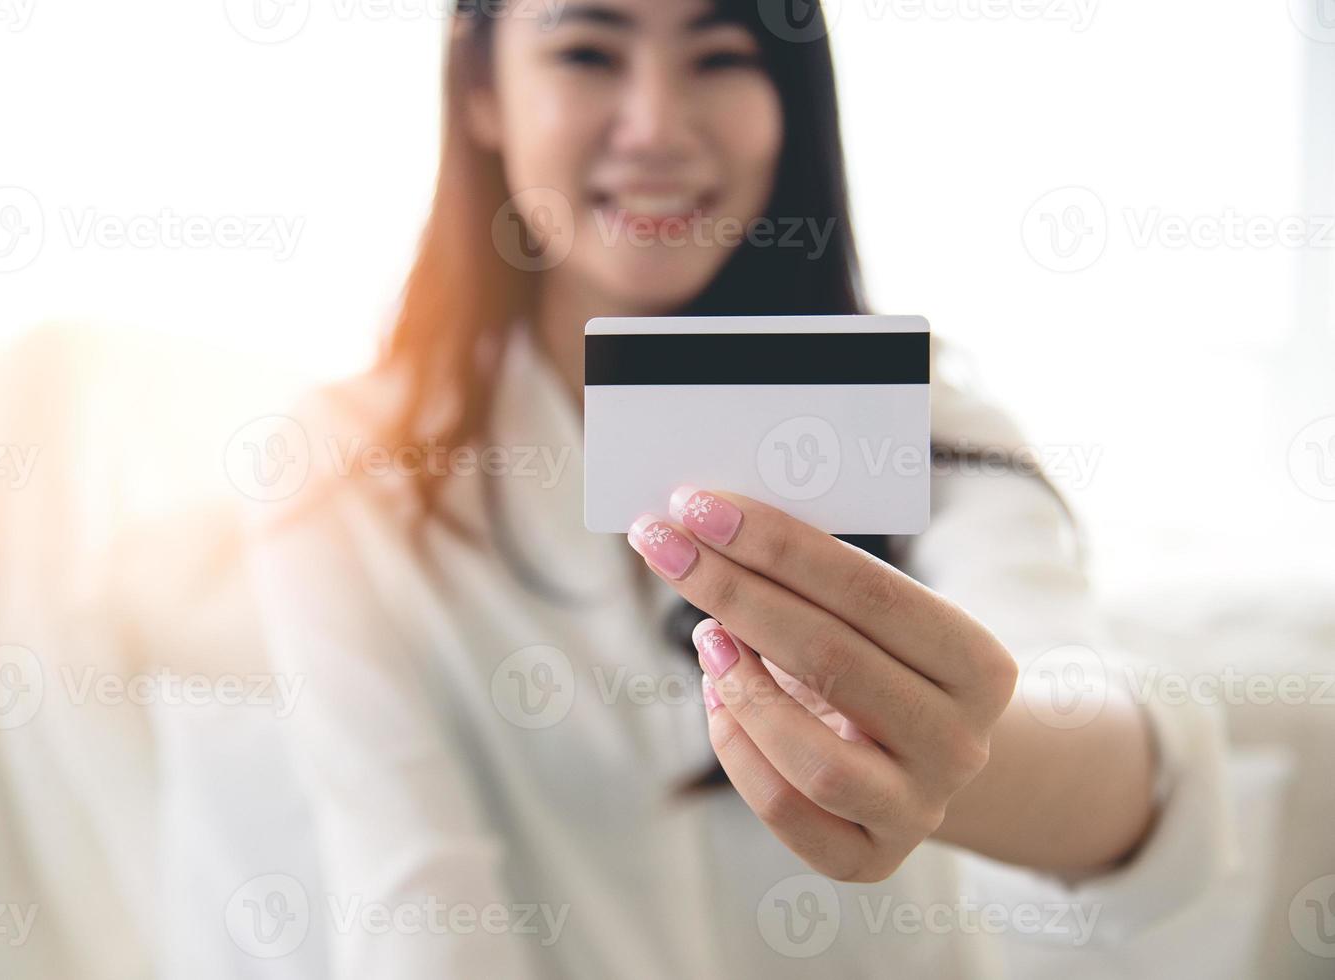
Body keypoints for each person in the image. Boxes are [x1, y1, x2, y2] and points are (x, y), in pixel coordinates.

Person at [244, 0, 1236, 976]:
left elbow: (1108, 746)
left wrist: (953, 753)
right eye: (588, 51)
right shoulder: (345, 476)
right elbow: (414, 904)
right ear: (482, 93)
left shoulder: (925, 427)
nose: (657, 128)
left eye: (718, 54)